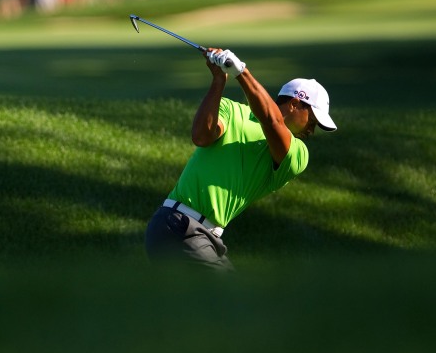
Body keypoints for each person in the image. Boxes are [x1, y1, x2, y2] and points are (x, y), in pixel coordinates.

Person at [144, 48, 337, 270]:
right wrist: (219, 80)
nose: (312, 130)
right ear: (295, 104)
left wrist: (241, 71)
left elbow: (273, 122)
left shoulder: (298, 154)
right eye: (312, 120)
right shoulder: (231, 109)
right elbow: (201, 136)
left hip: (202, 236)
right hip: (180, 226)